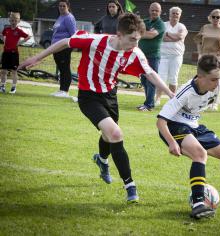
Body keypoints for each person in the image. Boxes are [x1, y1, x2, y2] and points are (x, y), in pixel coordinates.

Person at [18, 13, 174, 203]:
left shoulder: (135, 52)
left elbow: (150, 73)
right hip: (88, 97)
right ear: (119, 34)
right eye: (132, 39)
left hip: (110, 96)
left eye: (138, 40)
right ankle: (130, 186)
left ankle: (101, 159)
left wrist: (170, 94)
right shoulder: (95, 41)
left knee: (109, 135)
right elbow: (65, 42)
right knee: (115, 134)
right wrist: (37, 58)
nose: (135, 44)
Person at [156, 55, 220, 219]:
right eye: (213, 79)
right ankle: (198, 204)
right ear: (200, 77)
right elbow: (161, 121)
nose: (218, 83)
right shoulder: (186, 92)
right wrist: (171, 143)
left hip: (194, 126)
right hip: (174, 127)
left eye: (219, 78)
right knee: (200, 154)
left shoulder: (217, 81)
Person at [193, 9, 220, 111]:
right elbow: (198, 41)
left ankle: (214, 103)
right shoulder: (205, 27)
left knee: (216, 81)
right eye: (213, 16)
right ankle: (203, 102)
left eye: (218, 17)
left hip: (217, 58)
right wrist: (200, 54)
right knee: (202, 79)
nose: (215, 19)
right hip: (204, 57)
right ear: (210, 17)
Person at [155, 6, 188, 106]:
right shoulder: (163, 25)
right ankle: (157, 99)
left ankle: (172, 99)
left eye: (177, 13)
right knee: (161, 77)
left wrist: (168, 34)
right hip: (163, 55)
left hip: (176, 56)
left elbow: (180, 37)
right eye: (173, 13)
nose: (175, 15)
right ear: (169, 14)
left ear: (180, 15)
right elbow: (162, 38)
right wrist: (174, 37)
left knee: (173, 78)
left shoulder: (182, 26)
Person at [137, 2, 165, 111]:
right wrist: (143, 32)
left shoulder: (160, 24)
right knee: (144, 80)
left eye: (156, 10)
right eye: (152, 10)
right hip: (141, 56)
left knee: (151, 80)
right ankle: (147, 103)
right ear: (149, 10)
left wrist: (140, 33)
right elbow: (136, 29)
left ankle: (149, 105)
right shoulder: (144, 21)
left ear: (160, 12)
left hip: (153, 56)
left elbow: (151, 35)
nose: (154, 12)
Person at [50, 0, 76, 98]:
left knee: (65, 68)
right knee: (61, 69)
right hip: (56, 47)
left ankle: (65, 91)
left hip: (64, 48)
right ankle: (61, 90)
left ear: (68, 7)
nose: (61, 8)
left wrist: (71, 47)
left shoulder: (69, 18)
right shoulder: (60, 17)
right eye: (60, 6)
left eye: (63, 6)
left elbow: (73, 34)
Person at [0, 12, 30, 94]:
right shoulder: (6, 29)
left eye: (15, 21)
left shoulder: (19, 31)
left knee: (14, 71)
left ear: (18, 21)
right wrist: (3, 39)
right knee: (3, 71)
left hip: (14, 53)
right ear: (9, 20)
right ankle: (2, 86)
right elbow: (1, 34)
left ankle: (13, 87)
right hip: (6, 52)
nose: (13, 22)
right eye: (12, 20)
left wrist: (20, 42)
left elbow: (28, 36)